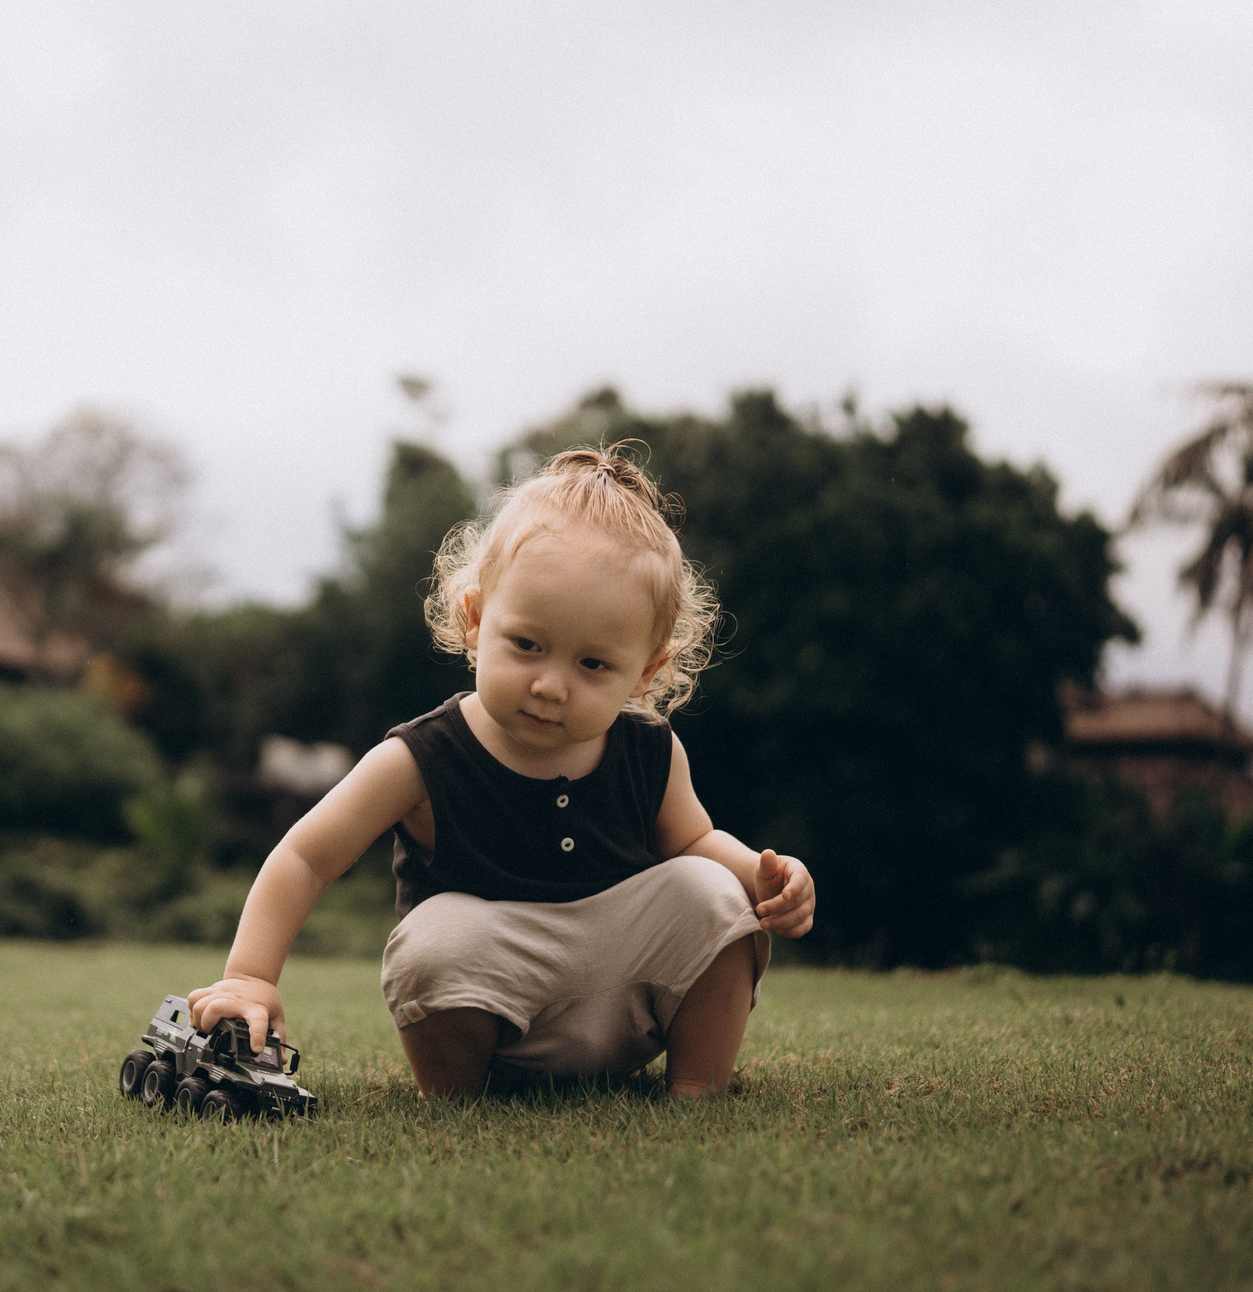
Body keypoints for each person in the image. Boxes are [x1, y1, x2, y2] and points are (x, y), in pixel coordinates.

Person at [188, 444, 818, 1098]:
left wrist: (758, 872)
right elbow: (305, 856)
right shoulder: (423, 757)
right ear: (476, 619)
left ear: (646, 671)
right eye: (527, 644)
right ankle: (460, 1096)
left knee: (711, 890)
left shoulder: (650, 750)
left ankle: (697, 1088)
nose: (550, 685)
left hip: (621, 995)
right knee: (435, 939)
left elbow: (693, 842)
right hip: (486, 1008)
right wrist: (251, 976)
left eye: (593, 664)